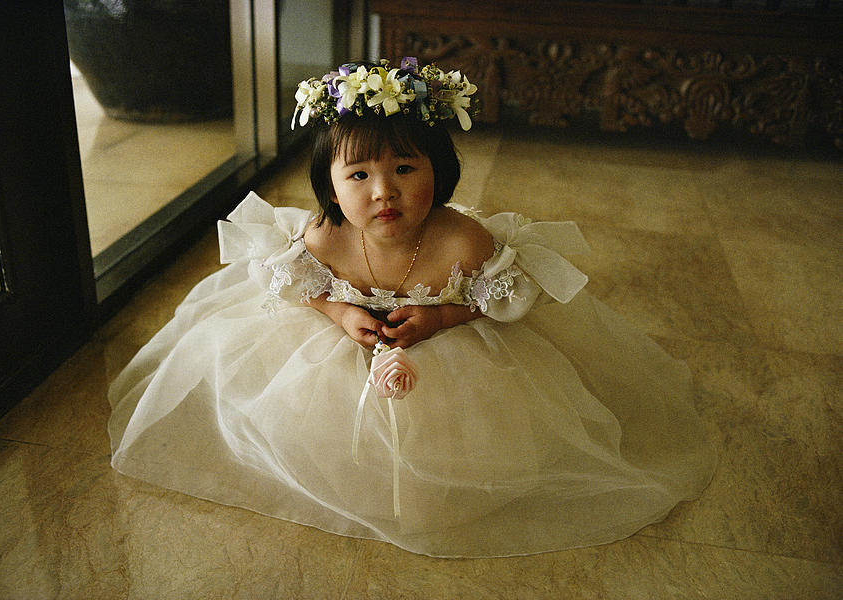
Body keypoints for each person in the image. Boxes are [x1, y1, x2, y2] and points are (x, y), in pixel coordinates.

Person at [108, 58, 715, 558]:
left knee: (476, 423)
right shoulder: (324, 237)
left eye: (405, 168)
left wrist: (443, 317)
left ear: (440, 172)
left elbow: (496, 298)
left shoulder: (463, 243)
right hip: (353, 329)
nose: (384, 191)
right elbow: (302, 283)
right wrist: (341, 313)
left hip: (445, 327)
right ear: (329, 185)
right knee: (291, 405)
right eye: (359, 175)